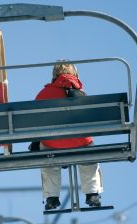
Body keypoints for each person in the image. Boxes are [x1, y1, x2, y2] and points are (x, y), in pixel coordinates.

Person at [33, 62, 103, 210]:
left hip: (53, 144)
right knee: (89, 160)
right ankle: (92, 194)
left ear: (54, 76)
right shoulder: (81, 93)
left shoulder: (43, 94)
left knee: (49, 164)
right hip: (81, 142)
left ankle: (52, 198)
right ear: (75, 74)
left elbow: (35, 122)